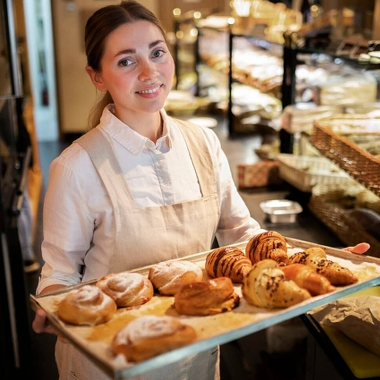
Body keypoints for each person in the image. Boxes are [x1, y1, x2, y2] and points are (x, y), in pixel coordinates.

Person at [32, 1, 369, 379]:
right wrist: (52, 304)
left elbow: (242, 235)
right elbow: (59, 272)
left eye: (157, 53)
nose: (150, 72)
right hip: (111, 360)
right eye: (126, 61)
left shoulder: (203, 143)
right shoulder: (77, 166)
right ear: (97, 77)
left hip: (197, 349)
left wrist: (319, 261)